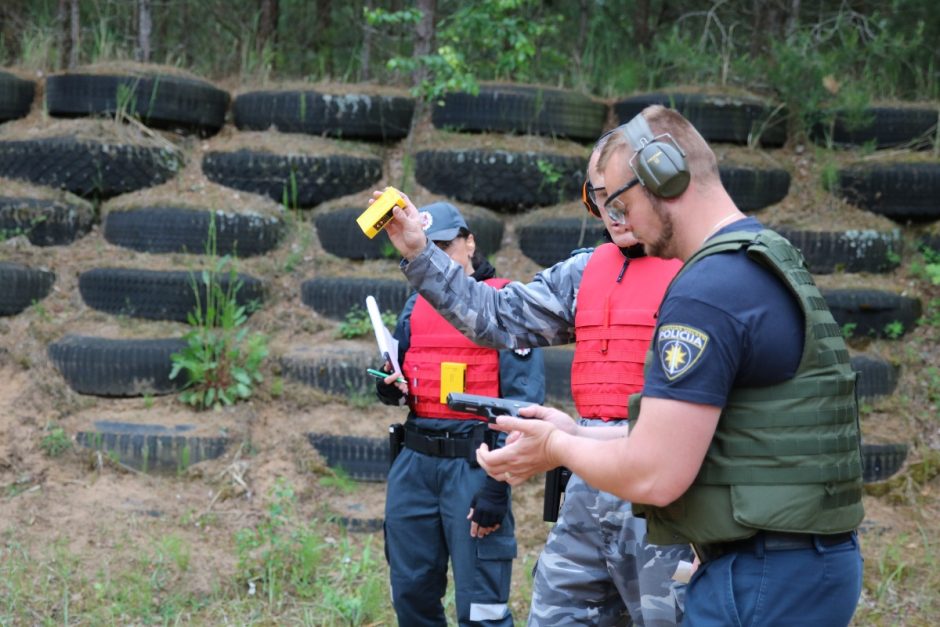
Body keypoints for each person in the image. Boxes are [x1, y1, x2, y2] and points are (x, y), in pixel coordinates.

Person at [471, 105, 866, 626]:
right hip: (796, 564)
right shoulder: (764, 257)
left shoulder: (706, 290)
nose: (618, 220)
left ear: (664, 175)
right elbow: (714, 436)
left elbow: (655, 474)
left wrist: (557, 447)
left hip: (762, 573)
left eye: (621, 200)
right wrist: (580, 434)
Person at [378, 134, 693, 626]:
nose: (611, 211)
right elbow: (495, 316)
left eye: (620, 195)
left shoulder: (702, 272)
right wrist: (421, 254)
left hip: (669, 493)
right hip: (589, 486)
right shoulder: (584, 271)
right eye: (597, 196)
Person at [375, 200, 545, 627]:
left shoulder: (505, 304)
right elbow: (401, 378)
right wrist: (387, 384)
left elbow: (524, 407)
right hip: (414, 464)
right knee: (411, 592)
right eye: (428, 246)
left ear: (470, 243)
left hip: (475, 466)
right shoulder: (415, 306)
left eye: (446, 245)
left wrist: (496, 487)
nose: (437, 255)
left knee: (481, 606)